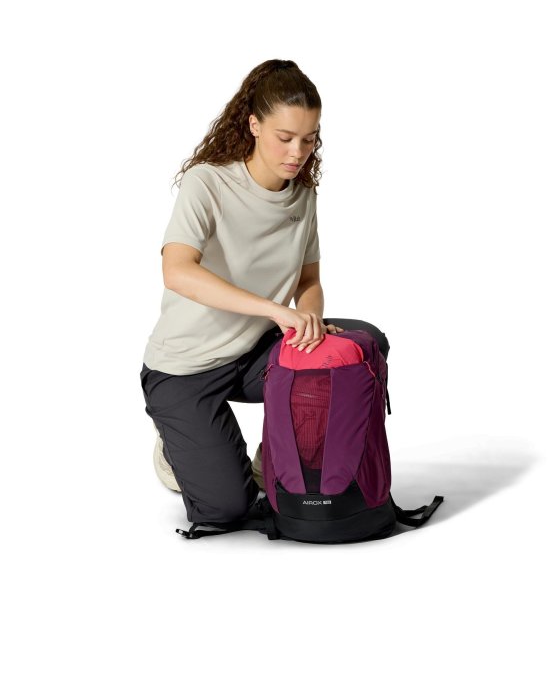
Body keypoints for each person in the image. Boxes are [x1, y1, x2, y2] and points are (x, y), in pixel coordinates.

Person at [139, 59, 390, 526]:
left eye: (309, 139)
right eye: (285, 137)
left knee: (361, 344)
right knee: (227, 511)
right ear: (254, 125)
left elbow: (308, 282)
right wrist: (275, 311)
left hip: (256, 355)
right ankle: (176, 446)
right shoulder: (208, 181)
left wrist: (309, 319)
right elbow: (177, 272)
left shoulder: (303, 195)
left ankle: (274, 455)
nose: (298, 152)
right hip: (184, 369)